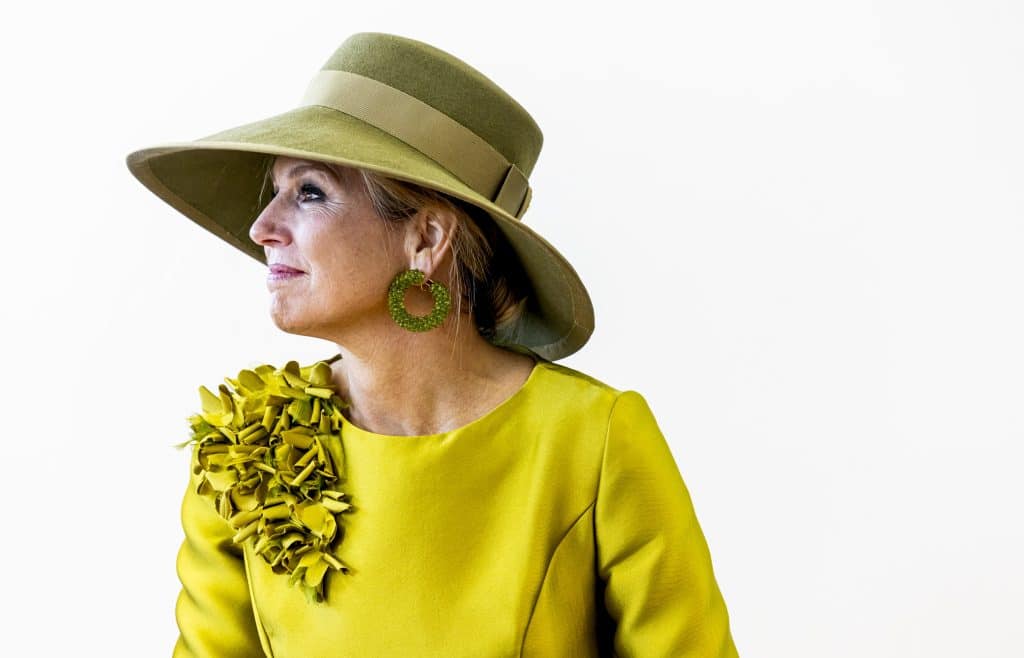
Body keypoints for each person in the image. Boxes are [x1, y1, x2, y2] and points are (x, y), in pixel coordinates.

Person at [126, 31, 740, 657]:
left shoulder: (592, 440)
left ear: (426, 239)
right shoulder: (244, 447)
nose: (262, 227)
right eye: (275, 191)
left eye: (309, 192)